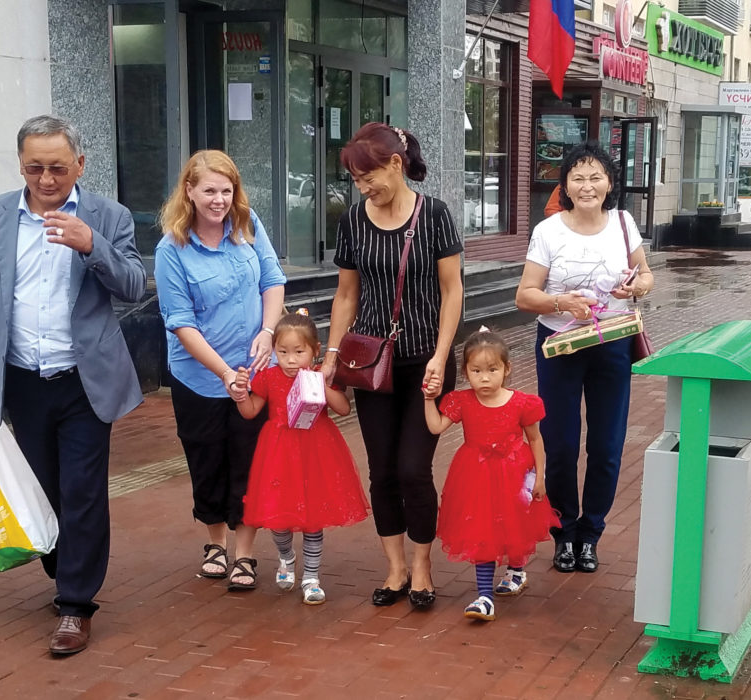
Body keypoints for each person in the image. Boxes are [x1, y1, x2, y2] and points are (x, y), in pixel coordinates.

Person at [0, 115, 147, 655]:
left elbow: (133, 285)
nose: (45, 178)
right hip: (22, 379)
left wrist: (92, 245)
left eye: (58, 168)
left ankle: (76, 604)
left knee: (82, 492)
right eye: (34, 167)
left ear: (80, 165)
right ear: (20, 164)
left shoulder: (109, 215)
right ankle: (65, 570)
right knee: (41, 489)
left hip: (85, 380)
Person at [322, 122, 463, 609]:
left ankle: (423, 568)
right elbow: (346, 295)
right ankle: (396, 569)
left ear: (395, 165)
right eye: (356, 181)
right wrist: (331, 355)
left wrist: (443, 357)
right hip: (372, 367)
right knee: (381, 471)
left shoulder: (435, 215)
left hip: (425, 361)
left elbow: (452, 292)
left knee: (412, 470)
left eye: (369, 177)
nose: (363, 188)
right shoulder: (354, 221)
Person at [515, 141, 654, 575]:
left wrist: (637, 289)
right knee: (559, 445)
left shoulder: (624, 223)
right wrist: (561, 303)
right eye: (578, 176)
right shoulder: (549, 231)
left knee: (607, 446)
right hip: (560, 347)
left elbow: (646, 273)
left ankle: (590, 534)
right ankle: (565, 532)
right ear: (566, 186)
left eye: (596, 176)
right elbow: (524, 295)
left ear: (610, 183)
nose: (587, 185)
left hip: (611, 344)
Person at [155, 150, 286, 592]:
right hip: (199, 378)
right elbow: (180, 321)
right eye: (209, 190)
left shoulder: (247, 225)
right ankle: (215, 542)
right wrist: (223, 374)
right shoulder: (172, 247)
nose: (219, 200)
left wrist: (268, 332)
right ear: (189, 191)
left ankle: (245, 553)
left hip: (255, 372)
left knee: (250, 462)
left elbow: (273, 280)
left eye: (226, 190)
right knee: (206, 459)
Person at [233, 310, 370, 605]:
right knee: (278, 518)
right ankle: (286, 556)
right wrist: (240, 394)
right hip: (278, 453)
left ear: (315, 350)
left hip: (315, 452)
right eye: (283, 352)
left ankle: (311, 577)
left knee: (313, 517)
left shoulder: (319, 373)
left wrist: (320, 383)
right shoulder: (268, 376)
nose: (291, 360)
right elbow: (250, 411)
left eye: (299, 352)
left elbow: (343, 409)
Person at [424, 328, 558, 622]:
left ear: (507, 369)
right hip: (474, 475)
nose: (484, 378)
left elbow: (535, 439)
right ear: (465, 372)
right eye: (476, 371)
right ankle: (484, 596)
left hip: (514, 471)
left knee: (514, 522)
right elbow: (435, 427)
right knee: (481, 528)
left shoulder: (523, 403)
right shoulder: (462, 400)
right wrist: (428, 398)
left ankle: (516, 570)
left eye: (492, 369)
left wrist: (540, 477)